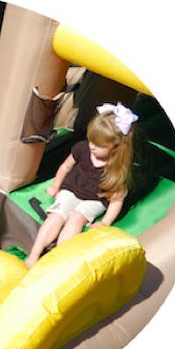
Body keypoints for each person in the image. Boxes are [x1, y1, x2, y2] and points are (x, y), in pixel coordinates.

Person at [24, 102, 139, 268]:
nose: (92, 146)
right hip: (72, 189)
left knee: (76, 219)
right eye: (91, 140)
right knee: (56, 215)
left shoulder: (116, 169)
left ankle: (57, 259)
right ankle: (34, 254)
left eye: (98, 145)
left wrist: (105, 222)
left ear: (116, 147)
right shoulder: (82, 149)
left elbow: (116, 200)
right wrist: (56, 186)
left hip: (95, 199)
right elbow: (65, 167)